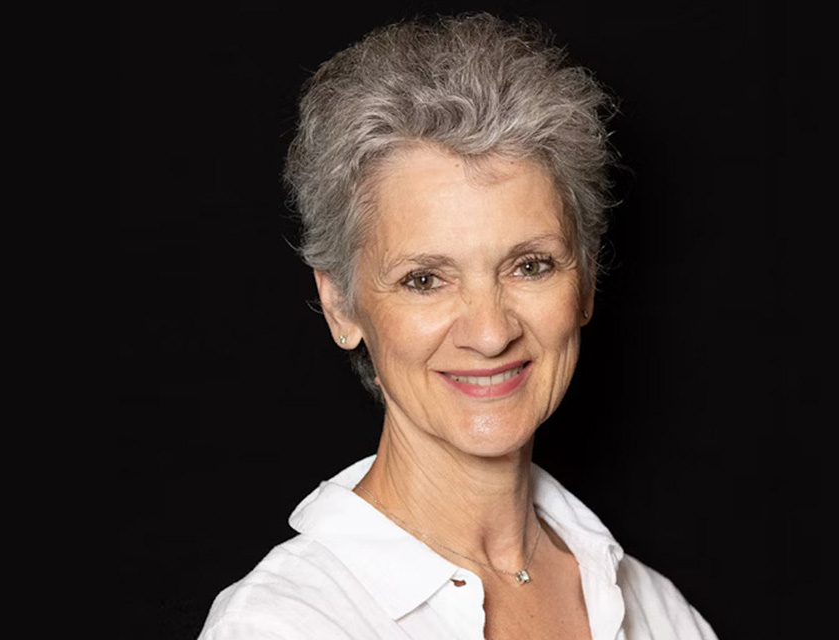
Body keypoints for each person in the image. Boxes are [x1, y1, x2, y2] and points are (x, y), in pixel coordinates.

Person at [199, 13, 717, 640]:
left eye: (530, 266)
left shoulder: (653, 608)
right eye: (425, 279)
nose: (491, 332)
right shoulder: (286, 624)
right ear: (341, 306)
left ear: (584, 283)